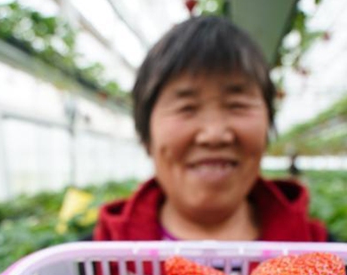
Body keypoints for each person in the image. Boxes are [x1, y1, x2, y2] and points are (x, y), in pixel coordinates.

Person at [92, 15, 328, 243]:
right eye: (187, 108)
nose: (214, 135)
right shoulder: (92, 265)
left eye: (237, 105)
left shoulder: (328, 263)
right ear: (146, 134)